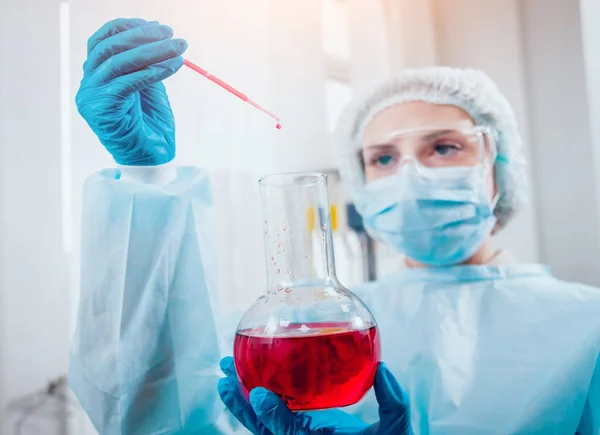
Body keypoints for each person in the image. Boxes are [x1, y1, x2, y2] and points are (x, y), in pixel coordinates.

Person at [68, 18, 600, 435]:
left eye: (444, 147)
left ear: (498, 167)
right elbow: (153, 415)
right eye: (383, 158)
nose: (410, 175)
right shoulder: (308, 327)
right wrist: (147, 175)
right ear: (360, 182)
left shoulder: (586, 327)